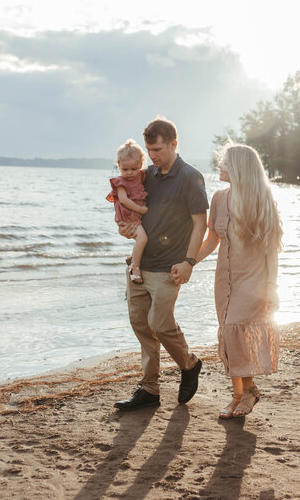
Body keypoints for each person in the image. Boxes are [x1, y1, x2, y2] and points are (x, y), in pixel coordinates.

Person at [114, 117, 209, 411]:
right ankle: (150, 389)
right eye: (149, 149)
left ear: (173, 144)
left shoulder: (190, 177)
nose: (152, 156)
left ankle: (189, 364)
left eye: (157, 149)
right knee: (141, 325)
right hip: (140, 265)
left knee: (160, 323)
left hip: (170, 267)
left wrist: (190, 262)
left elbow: (200, 224)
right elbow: (130, 211)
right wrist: (124, 228)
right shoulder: (146, 175)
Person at [196, 141, 282, 419]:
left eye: (224, 162)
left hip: (253, 281)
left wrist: (272, 288)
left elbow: (271, 248)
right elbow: (212, 239)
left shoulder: (261, 199)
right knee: (229, 336)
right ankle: (240, 395)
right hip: (225, 279)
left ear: (239, 168)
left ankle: (248, 392)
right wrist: (189, 262)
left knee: (234, 330)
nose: (219, 166)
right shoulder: (219, 198)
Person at [106, 139, 148, 284]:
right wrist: (141, 209)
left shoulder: (141, 176)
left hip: (134, 214)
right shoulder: (121, 183)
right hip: (128, 215)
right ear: (119, 166)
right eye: (125, 169)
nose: (129, 173)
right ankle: (134, 267)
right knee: (142, 239)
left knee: (140, 239)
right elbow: (123, 200)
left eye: (134, 169)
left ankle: (134, 257)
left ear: (140, 166)